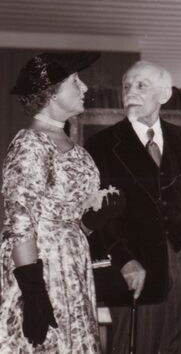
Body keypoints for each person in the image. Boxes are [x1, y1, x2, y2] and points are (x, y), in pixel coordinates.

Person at [85, 60, 181, 354]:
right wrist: (123, 260)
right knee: (136, 343)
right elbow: (96, 213)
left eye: (141, 85)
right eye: (126, 86)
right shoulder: (101, 144)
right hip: (137, 261)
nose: (131, 92)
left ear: (164, 94)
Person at [0, 51, 103, 353]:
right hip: (41, 266)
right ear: (52, 93)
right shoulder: (30, 144)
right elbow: (19, 222)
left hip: (72, 262)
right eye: (75, 81)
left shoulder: (76, 148)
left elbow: (73, 218)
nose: (84, 87)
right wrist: (33, 293)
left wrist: (96, 218)